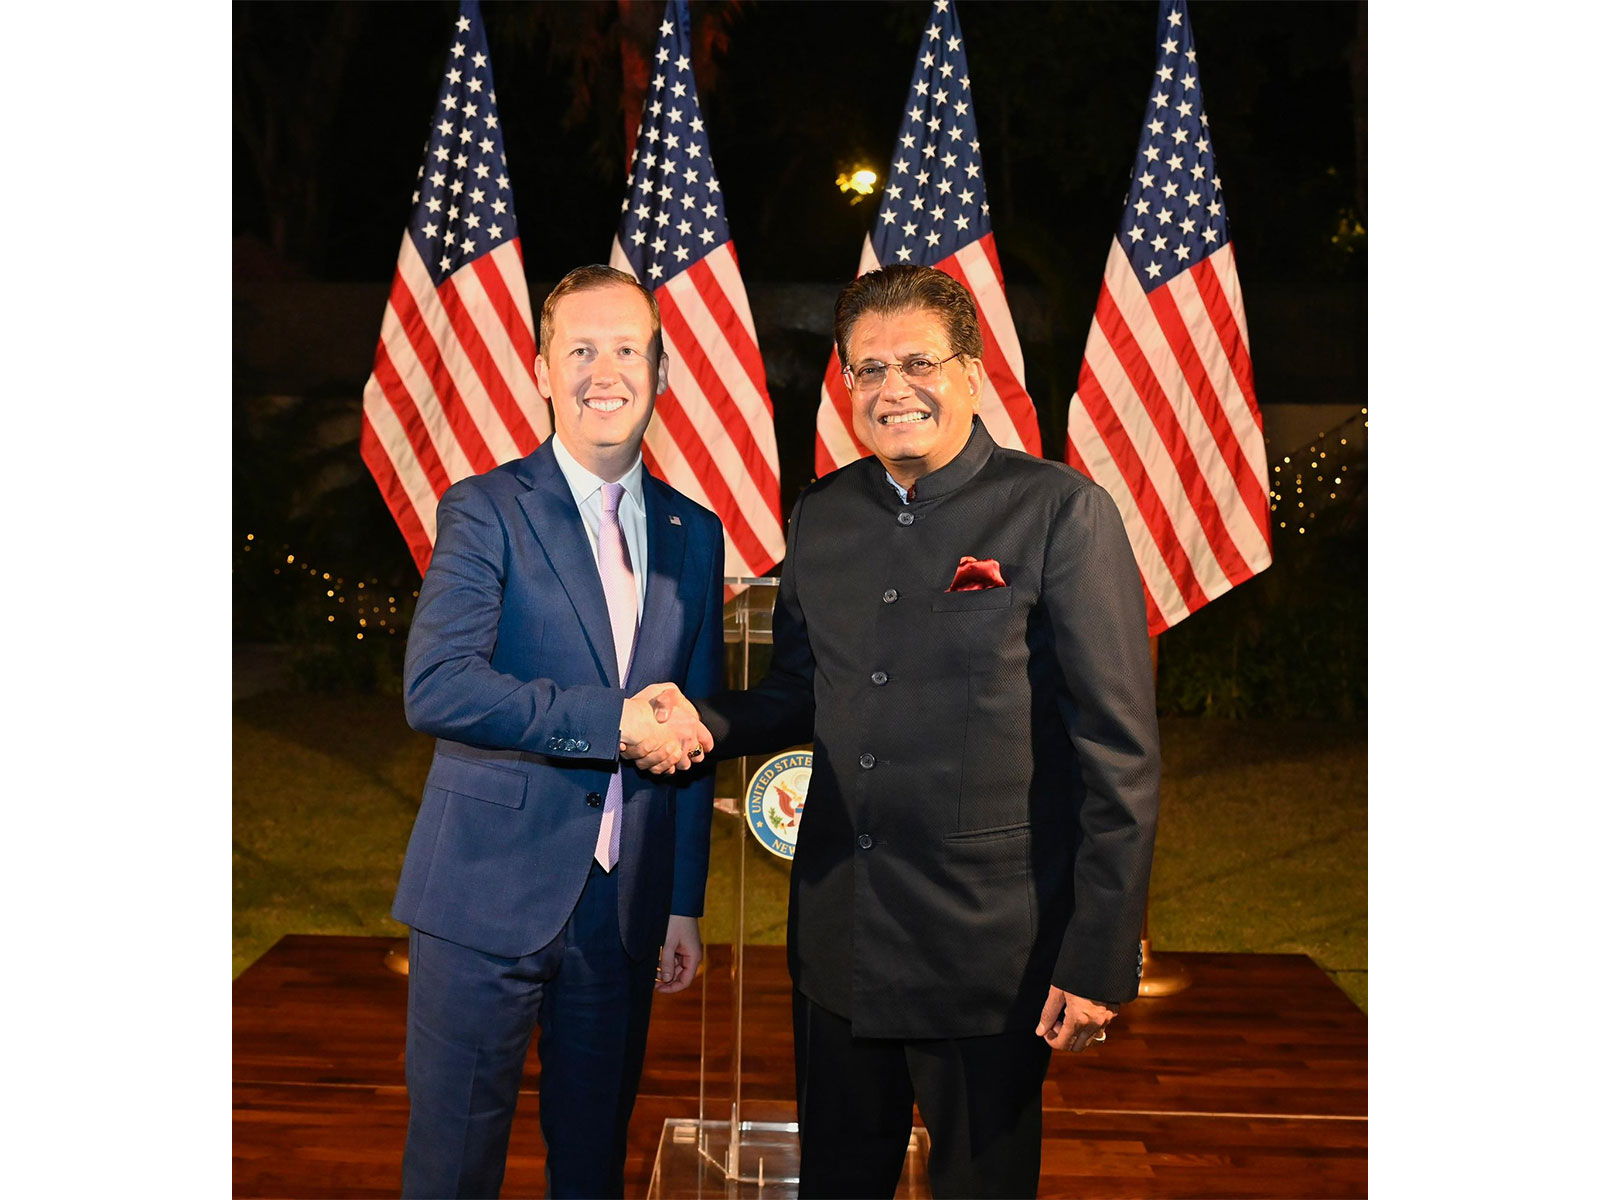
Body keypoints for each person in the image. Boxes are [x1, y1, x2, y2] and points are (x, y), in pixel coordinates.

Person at [682, 265, 1161, 1198]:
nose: (893, 388)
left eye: (918, 363)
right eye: (868, 369)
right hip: (840, 943)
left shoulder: (1060, 512)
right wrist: (698, 720)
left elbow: (1120, 757)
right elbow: (797, 692)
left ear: (972, 374)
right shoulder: (823, 516)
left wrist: (1098, 956)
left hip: (990, 956)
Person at [391, 264, 723, 1199]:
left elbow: (691, 722)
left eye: (627, 350)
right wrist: (610, 722)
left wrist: (682, 899)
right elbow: (439, 685)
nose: (603, 373)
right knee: (454, 1170)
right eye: (579, 350)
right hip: (483, 895)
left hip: (622, 912)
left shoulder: (695, 532)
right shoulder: (485, 508)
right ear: (541, 370)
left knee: (592, 1167)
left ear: (660, 370)